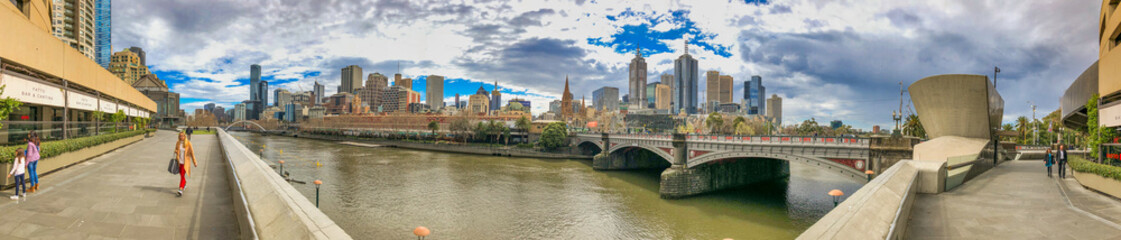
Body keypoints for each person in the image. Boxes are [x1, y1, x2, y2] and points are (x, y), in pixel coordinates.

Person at [174, 132, 198, 197]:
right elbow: (176, 149)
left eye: (182, 136)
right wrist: (176, 151)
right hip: (179, 162)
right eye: (180, 136)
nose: (181, 137)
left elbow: (192, 154)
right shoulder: (178, 143)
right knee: (182, 175)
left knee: (182, 175)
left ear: (185, 136)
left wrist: (195, 162)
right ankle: (184, 184)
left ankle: (180, 189)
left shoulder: (188, 143)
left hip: (185, 163)